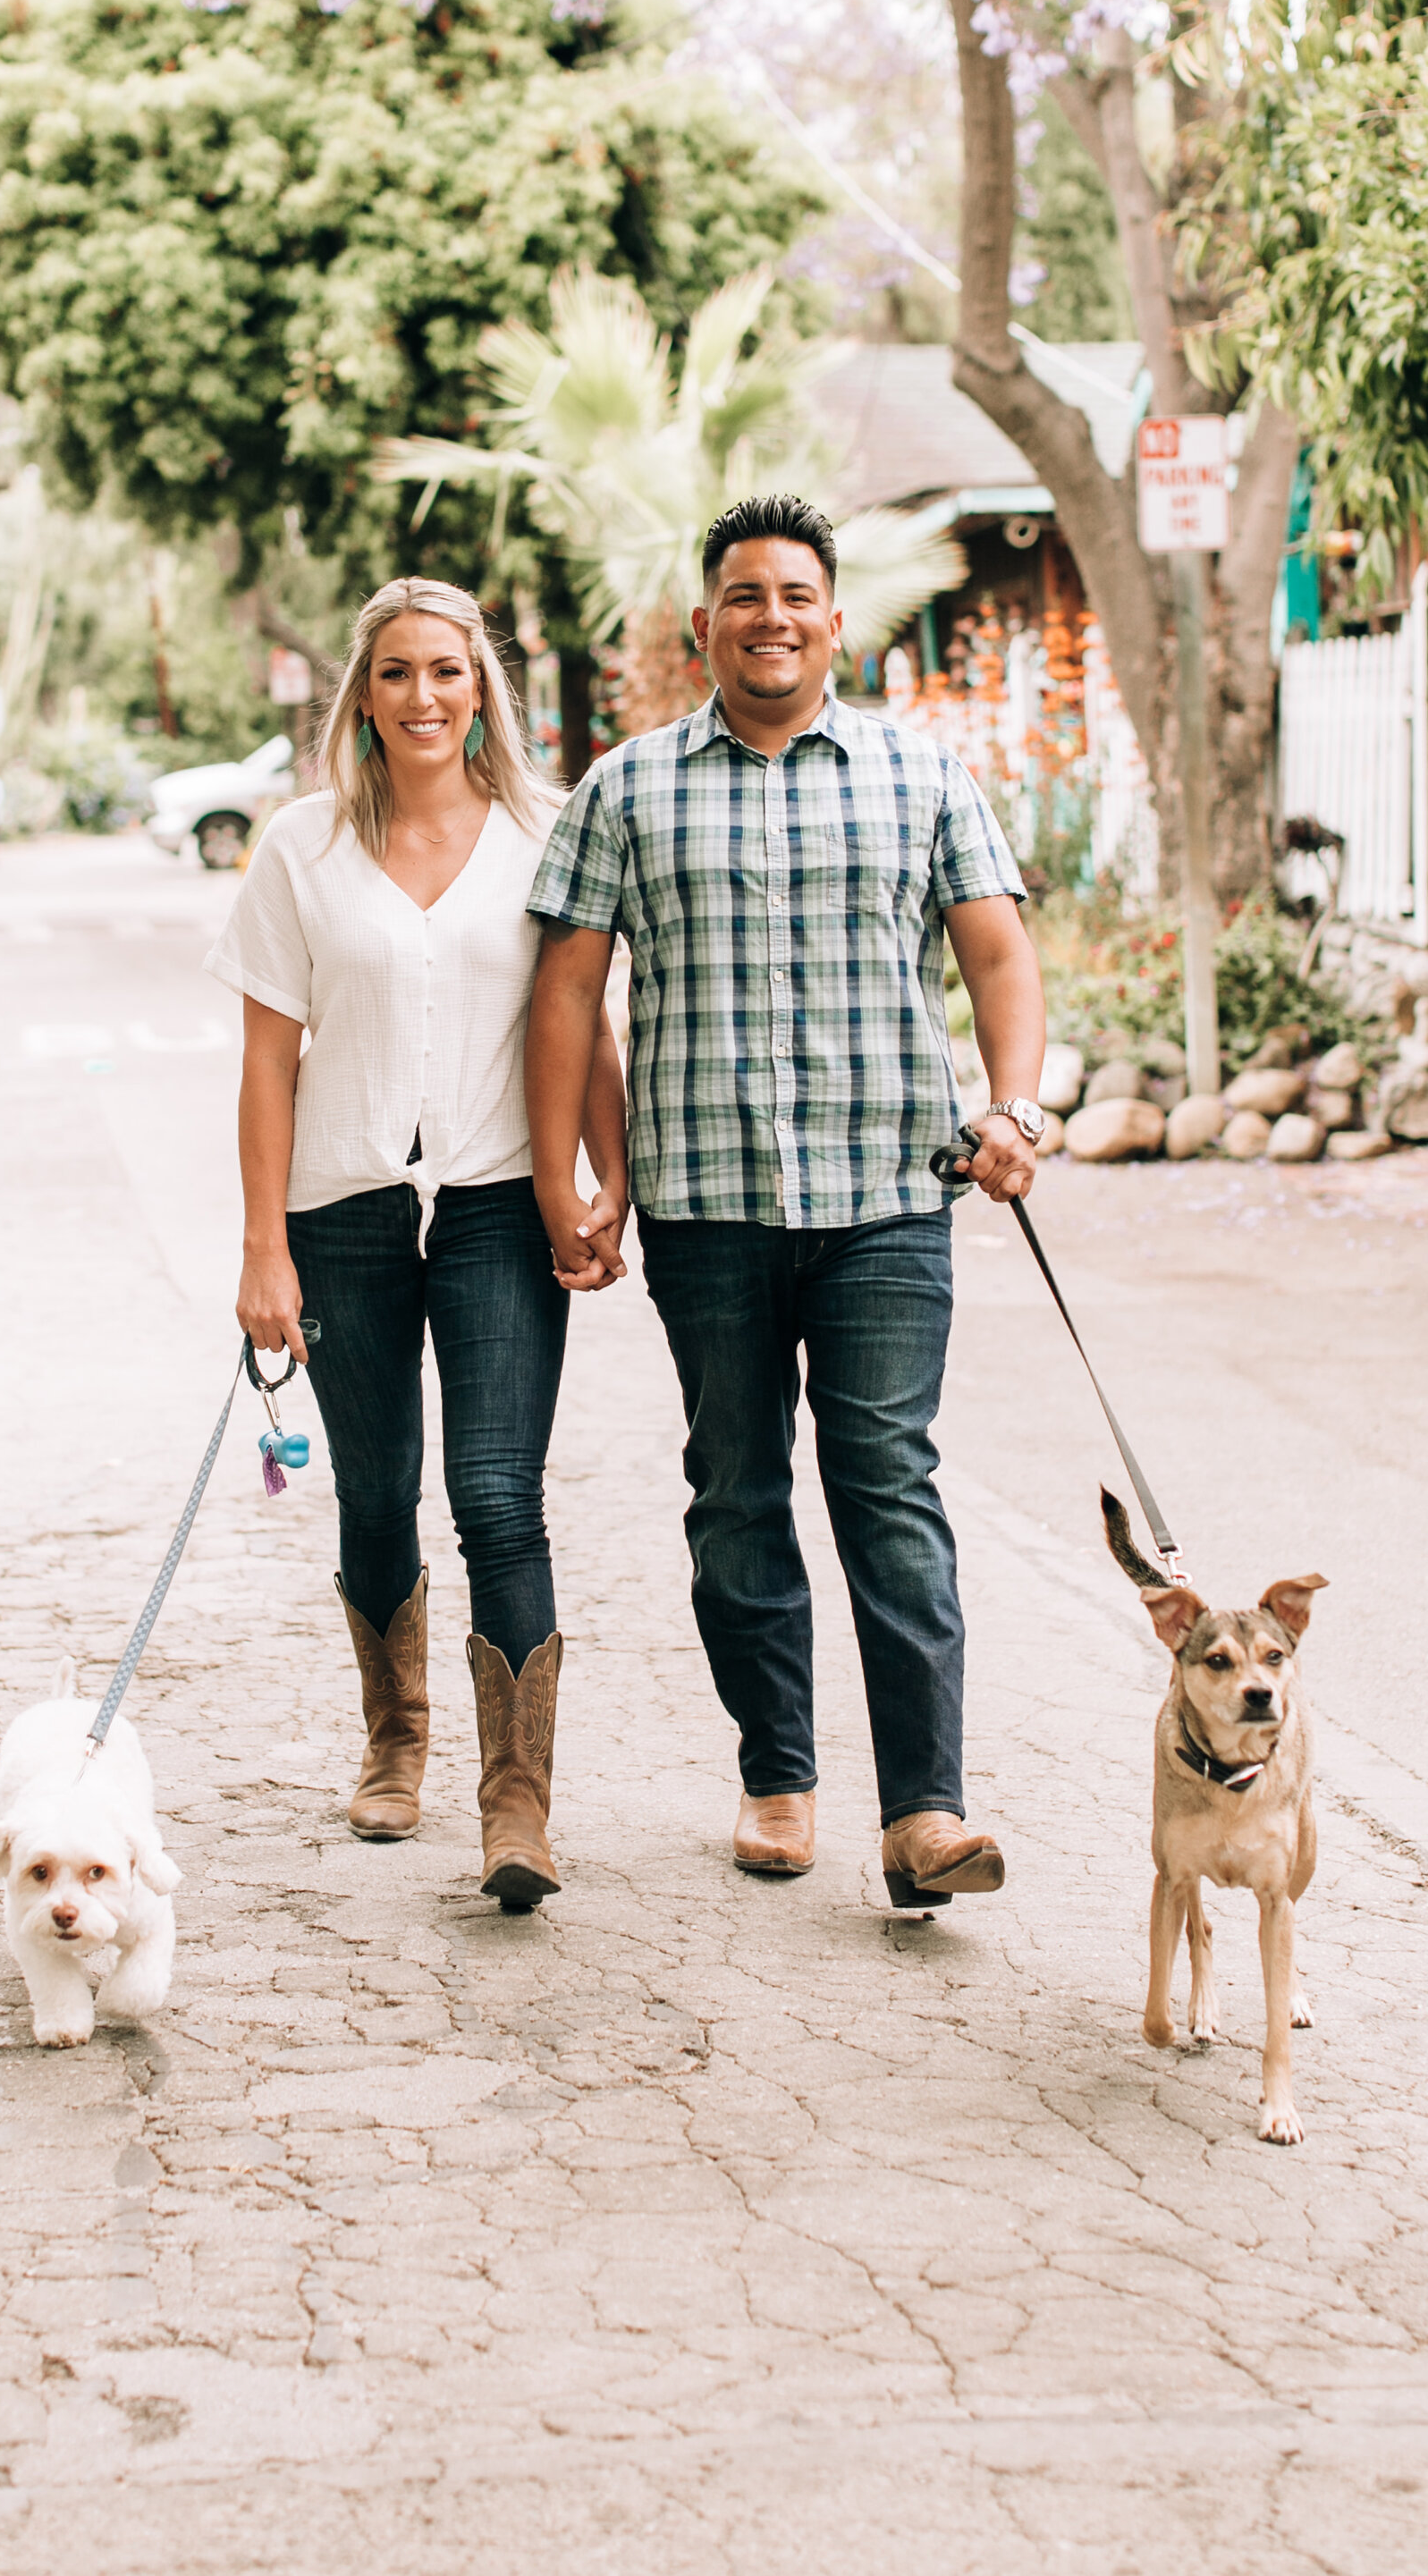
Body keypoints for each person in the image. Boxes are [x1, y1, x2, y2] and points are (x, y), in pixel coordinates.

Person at [524, 492, 1049, 1909]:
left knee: (889, 1486)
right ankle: (778, 1772)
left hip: (891, 1191)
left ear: (834, 618)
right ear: (704, 626)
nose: (771, 618)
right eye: (744, 595)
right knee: (739, 1491)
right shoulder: (626, 788)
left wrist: (1011, 1102)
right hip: (707, 1208)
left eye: (796, 594)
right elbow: (568, 994)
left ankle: (926, 1811)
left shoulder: (921, 774)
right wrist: (570, 1174)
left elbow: (999, 957)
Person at [211, 577, 629, 1910]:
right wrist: (261, 1247)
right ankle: (397, 1741)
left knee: (501, 1493)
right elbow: (269, 1061)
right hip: (343, 1210)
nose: (424, 696)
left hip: (503, 1199)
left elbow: (585, 1023)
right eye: (396, 672)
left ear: (482, 686)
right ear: (363, 693)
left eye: (447, 670)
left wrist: (607, 1182)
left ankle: (517, 1804)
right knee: (378, 1489)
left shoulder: (547, 832)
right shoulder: (302, 847)